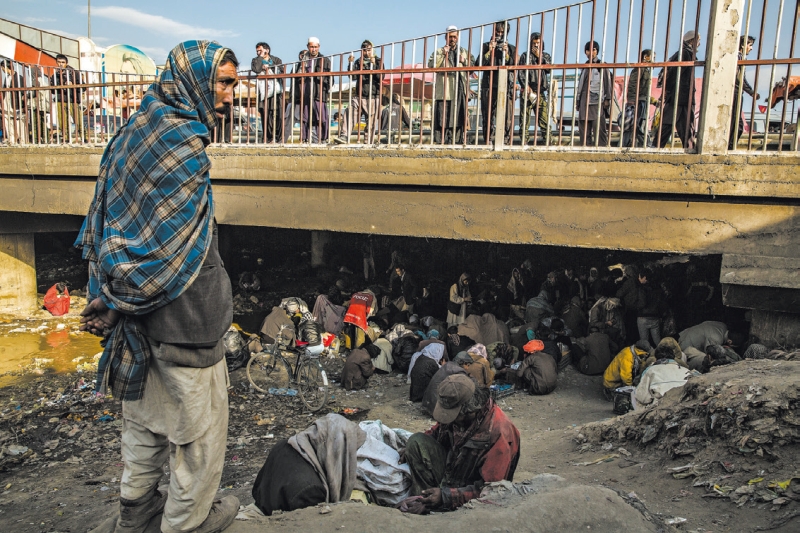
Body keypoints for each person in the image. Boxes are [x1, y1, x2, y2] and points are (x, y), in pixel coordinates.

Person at [79, 41, 239, 533]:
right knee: (198, 437)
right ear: (193, 81)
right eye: (225, 82)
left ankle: (135, 513)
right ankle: (186, 523)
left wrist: (108, 296)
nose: (234, 95)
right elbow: (167, 252)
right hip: (185, 323)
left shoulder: (131, 133)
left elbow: (110, 223)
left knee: (144, 423)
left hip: (135, 321)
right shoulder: (184, 149)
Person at [401, 374, 520, 512]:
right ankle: (425, 499)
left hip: (473, 488)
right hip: (455, 469)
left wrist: (446, 497)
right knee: (416, 442)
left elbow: (491, 489)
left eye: (453, 415)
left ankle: (436, 507)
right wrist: (412, 449)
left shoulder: (498, 432)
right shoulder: (459, 419)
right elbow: (437, 431)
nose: (448, 419)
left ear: (469, 410)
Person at [428, 25, 475, 144]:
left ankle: (456, 141)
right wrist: (443, 54)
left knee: (458, 117)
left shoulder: (464, 52)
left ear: (458, 38)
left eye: (454, 37)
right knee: (442, 117)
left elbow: (473, 66)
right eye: (450, 37)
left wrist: (464, 61)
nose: (452, 39)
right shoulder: (439, 51)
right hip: (444, 89)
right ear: (446, 38)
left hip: (459, 89)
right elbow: (431, 65)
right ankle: (441, 141)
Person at [655, 31, 701, 149]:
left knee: (679, 127)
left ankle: (656, 147)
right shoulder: (685, 54)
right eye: (698, 40)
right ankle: (656, 147)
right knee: (682, 127)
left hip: (678, 97)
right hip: (682, 97)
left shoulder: (683, 54)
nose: (699, 44)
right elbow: (673, 75)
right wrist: (667, 92)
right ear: (692, 41)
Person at [335, 40, 384, 144]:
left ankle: (368, 142)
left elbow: (381, 77)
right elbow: (352, 76)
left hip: (373, 96)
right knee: (350, 112)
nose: (367, 52)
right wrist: (350, 64)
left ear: (372, 50)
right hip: (359, 95)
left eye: (369, 50)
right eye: (364, 50)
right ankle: (344, 135)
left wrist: (374, 65)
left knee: (370, 122)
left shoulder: (378, 61)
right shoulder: (358, 61)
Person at [479, 21, 516, 145]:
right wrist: (490, 51)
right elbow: (479, 65)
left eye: (502, 32)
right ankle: (488, 139)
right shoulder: (486, 46)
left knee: (507, 115)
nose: (499, 35)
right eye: (497, 32)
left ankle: (505, 140)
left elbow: (515, 66)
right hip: (488, 85)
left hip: (505, 85)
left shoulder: (511, 48)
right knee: (488, 115)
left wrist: (506, 54)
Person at [576, 41, 614, 147]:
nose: (591, 52)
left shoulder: (601, 65)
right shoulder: (585, 67)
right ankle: (585, 150)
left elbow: (607, 82)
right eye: (588, 50)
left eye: (593, 50)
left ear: (597, 51)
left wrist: (608, 99)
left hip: (597, 101)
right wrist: (578, 101)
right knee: (584, 130)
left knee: (599, 129)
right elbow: (580, 86)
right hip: (584, 101)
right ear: (586, 52)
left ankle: (601, 150)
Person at [518, 32, 552, 145]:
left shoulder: (545, 56)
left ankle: (547, 142)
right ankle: (524, 142)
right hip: (528, 91)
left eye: (538, 43)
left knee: (544, 119)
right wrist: (525, 85)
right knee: (525, 120)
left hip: (541, 91)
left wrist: (539, 57)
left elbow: (549, 69)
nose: (536, 46)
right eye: (534, 43)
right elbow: (521, 72)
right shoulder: (524, 56)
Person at [623, 49, 658, 148]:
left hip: (643, 101)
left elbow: (644, 91)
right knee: (638, 125)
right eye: (653, 57)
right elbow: (633, 85)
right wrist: (631, 101)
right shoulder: (640, 69)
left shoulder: (646, 70)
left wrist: (653, 101)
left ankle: (625, 145)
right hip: (638, 102)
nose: (654, 60)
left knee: (635, 125)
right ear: (645, 57)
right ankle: (646, 145)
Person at [298, 37, 331, 143]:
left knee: (321, 117)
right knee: (305, 118)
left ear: (319, 47)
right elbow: (298, 76)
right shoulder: (303, 60)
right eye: (311, 47)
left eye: (315, 47)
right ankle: (305, 139)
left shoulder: (325, 60)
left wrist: (325, 90)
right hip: (306, 93)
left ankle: (323, 139)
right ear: (308, 47)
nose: (313, 49)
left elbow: (330, 78)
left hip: (319, 93)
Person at [729, 35, 759, 150]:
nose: (751, 48)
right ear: (742, 45)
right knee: (738, 125)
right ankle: (730, 148)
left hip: (736, 92)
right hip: (736, 92)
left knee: (735, 123)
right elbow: (739, 78)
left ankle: (730, 147)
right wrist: (751, 92)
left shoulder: (738, 57)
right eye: (750, 45)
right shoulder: (738, 57)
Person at [250, 42, 284, 143]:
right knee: (265, 115)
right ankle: (268, 138)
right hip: (263, 93)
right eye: (257, 51)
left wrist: (269, 67)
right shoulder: (255, 60)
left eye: (260, 50)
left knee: (279, 115)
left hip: (276, 92)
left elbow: (281, 71)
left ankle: (278, 138)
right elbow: (256, 69)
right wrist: (260, 58)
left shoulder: (276, 60)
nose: (258, 52)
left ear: (267, 50)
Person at [50, 54, 85, 143]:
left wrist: (73, 85)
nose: (61, 64)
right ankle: (65, 138)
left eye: (63, 62)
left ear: (67, 63)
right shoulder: (55, 75)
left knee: (78, 120)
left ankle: (84, 137)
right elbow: (52, 90)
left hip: (73, 99)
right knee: (62, 121)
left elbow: (83, 87)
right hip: (60, 99)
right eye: (59, 62)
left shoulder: (74, 73)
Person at [1, 59, 26, 144]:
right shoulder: (7, 78)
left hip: (15, 102)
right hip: (7, 102)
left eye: (2, 68)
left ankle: (22, 140)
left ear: (5, 67)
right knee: (8, 121)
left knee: (19, 122)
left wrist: (22, 105)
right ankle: (12, 139)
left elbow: (22, 92)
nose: (2, 70)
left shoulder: (19, 78)